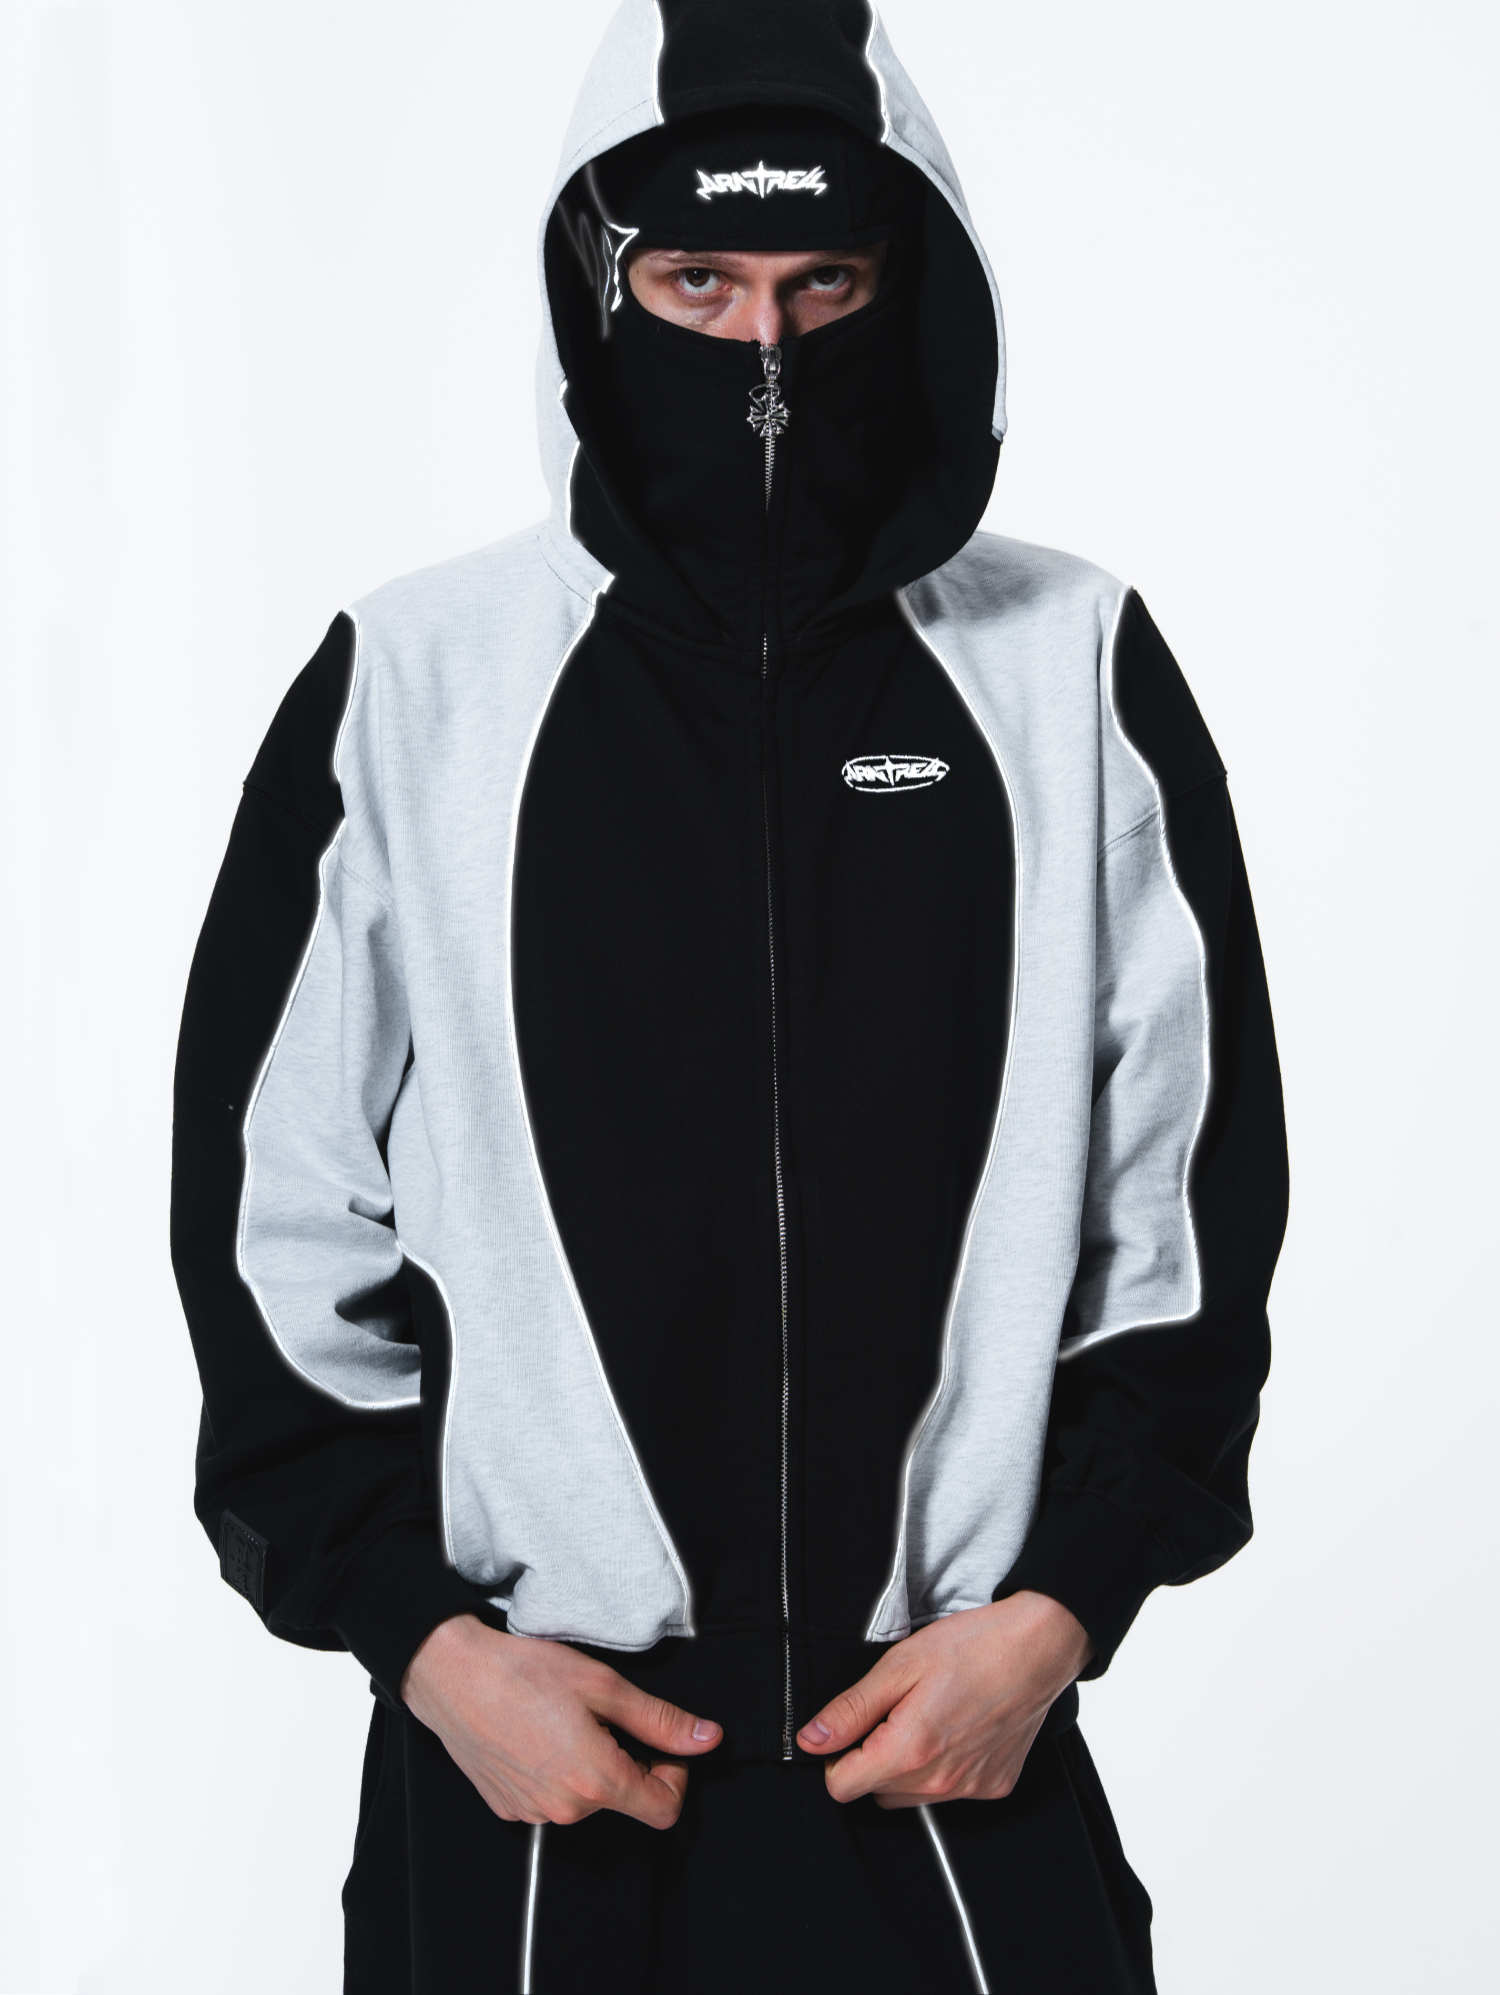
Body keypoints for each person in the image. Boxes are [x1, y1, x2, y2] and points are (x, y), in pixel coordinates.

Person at [171, 3, 1288, 1990]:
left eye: (822, 280)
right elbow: (273, 1213)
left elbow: (1186, 1197)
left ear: (909, 279)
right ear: (600, 286)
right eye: (698, 280)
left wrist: (1057, 1613)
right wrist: (428, 1643)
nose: (764, 348)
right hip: (540, 1767)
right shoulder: (414, 683)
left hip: (947, 1740)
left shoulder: (1071, 666)